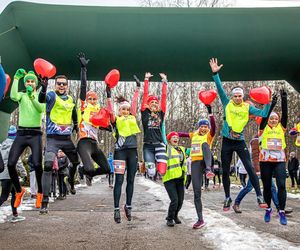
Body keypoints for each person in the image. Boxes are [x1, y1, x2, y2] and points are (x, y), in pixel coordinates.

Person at [209, 58, 271, 211]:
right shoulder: (226, 103)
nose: (237, 98)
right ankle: (227, 197)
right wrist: (215, 74)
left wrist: (267, 100)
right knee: (224, 170)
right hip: (227, 141)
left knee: (250, 167)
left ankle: (259, 195)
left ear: (242, 97)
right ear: (232, 97)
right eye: (235, 96)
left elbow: (263, 113)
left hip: (240, 141)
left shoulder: (247, 107)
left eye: (239, 96)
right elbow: (220, 88)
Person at [38, 71, 79, 213]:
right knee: (48, 165)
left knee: (76, 163)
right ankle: (44, 201)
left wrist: (77, 126)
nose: (61, 86)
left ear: (67, 86)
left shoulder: (70, 99)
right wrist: (43, 87)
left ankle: (71, 183)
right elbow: (41, 100)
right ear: (55, 85)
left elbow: (74, 112)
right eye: (59, 83)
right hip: (53, 138)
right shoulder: (51, 95)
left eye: (64, 84)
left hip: (67, 139)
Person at [8, 69, 45, 209]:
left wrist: (32, 97)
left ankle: (40, 193)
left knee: (36, 164)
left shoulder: (39, 95)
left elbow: (40, 109)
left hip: (35, 134)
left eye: (32, 81)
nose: (30, 83)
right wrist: (16, 78)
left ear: (35, 84)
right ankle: (19, 191)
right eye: (27, 81)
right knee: (11, 163)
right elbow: (12, 96)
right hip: (21, 133)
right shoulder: (22, 95)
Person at [109, 75, 141, 224]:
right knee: (119, 180)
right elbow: (110, 111)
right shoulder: (115, 119)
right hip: (120, 152)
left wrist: (137, 88)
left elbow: (134, 103)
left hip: (132, 151)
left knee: (131, 180)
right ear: (119, 110)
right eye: (123, 109)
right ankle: (116, 209)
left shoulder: (132, 117)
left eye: (128, 110)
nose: (126, 111)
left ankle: (128, 206)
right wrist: (109, 95)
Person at [179, 104, 216, 228]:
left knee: (205, 145)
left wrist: (210, 113)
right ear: (198, 128)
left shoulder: (209, 136)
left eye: (206, 127)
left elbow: (214, 127)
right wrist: (174, 134)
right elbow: (183, 134)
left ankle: (209, 170)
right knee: (196, 192)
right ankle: (200, 219)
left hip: (206, 161)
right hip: (195, 164)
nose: (204, 129)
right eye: (202, 127)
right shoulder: (194, 134)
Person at [76, 53, 111, 181]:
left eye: (94, 99)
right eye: (89, 98)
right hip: (84, 143)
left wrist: (111, 128)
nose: (91, 100)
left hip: (95, 144)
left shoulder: (98, 110)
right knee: (90, 168)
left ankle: (88, 174)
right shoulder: (84, 106)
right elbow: (83, 87)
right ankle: (83, 170)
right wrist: (83, 69)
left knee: (107, 169)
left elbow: (103, 125)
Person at [259, 89, 288, 225]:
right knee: (267, 186)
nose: (274, 120)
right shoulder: (263, 127)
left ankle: (281, 211)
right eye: (272, 118)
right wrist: (272, 103)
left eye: (276, 118)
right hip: (265, 160)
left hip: (279, 160)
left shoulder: (281, 128)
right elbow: (265, 117)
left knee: (281, 185)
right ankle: (268, 209)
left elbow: (285, 115)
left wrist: (283, 99)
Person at [141, 72, 168, 177]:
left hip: (159, 144)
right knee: (151, 173)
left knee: (162, 171)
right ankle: (149, 163)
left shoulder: (161, 113)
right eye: (152, 103)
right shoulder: (145, 113)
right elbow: (145, 95)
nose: (154, 104)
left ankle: (157, 162)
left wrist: (164, 82)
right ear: (148, 104)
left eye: (156, 103)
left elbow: (164, 97)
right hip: (148, 145)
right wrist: (146, 80)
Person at [0, 125, 27, 222]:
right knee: (4, 196)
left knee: (15, 194)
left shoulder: (2, 144)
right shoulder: (14, 145)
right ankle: (15, 215)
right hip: (10, 174)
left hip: (3, 173)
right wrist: (24, 173)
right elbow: (18, 161)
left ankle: (15, 215)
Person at [164, 132, 187, 227]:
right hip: (169, 178)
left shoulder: (182, 149)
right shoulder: (167, 148)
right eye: (173, 137)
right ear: (169, 139)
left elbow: (194, 151)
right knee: (174, 200)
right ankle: (169, 218)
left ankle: (175, 215)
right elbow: (162, 139)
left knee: (180, 201)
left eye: (177, 137)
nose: (175, 138)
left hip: (180, 178)